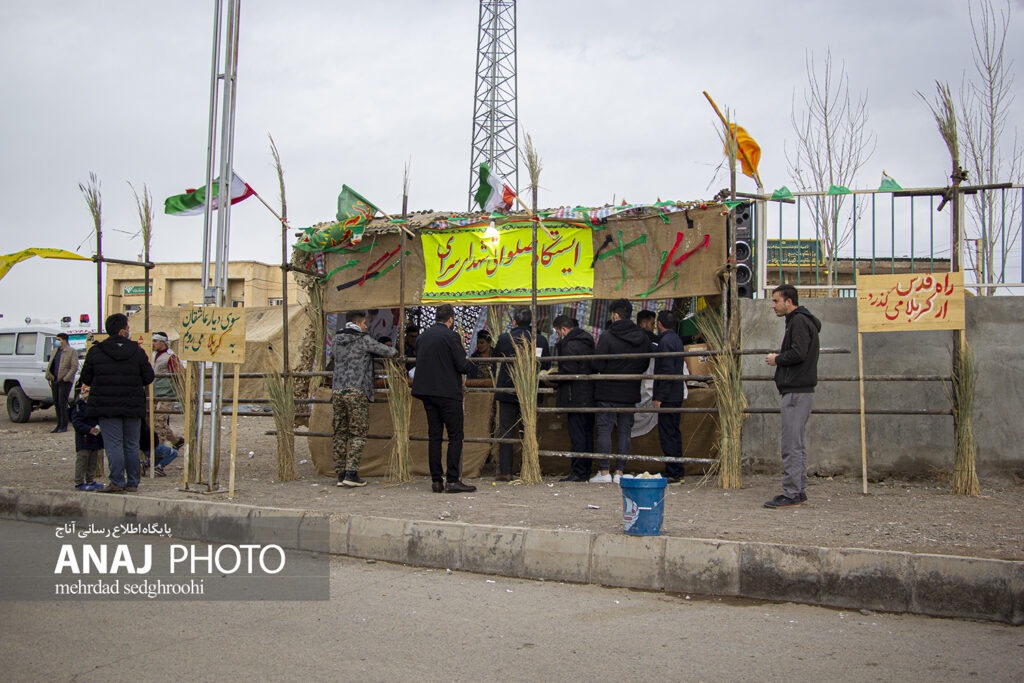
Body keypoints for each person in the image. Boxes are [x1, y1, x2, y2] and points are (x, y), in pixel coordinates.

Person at [80, 313, 155, 493]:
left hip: (106, 406)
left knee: (113, 444)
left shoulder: (96, 351)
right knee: (131, 444)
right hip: (133, 406)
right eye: (128, 327)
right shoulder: (137, 351)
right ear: (123, 331)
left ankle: (117, 482)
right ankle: (133, 482)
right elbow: (148, 377)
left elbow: (86, 378)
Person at [764, 284, 821, 509]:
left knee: (791, 444)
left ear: (789, 302)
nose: (773, 305)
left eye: (776, 301)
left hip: (797, 390)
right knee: (797, 442)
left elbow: (798, 352)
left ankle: (792, 492)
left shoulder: (798, 321)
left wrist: (777, 359)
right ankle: (799, 488)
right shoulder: (801, 321)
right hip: (799, 390)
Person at [411, 304, 476, 493]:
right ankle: (453, 480)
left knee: (435, 436)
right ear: (450, 319)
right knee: (455, 436)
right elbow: (462, 365)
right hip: (447, 393)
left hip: (427, 392)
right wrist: (471, 366)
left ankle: (436, 481)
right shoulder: (451, 336)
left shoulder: (422, 337)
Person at [332, 310, 397, 487]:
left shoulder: (336, 340)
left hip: (337, 390)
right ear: (357, 323)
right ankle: (351, 473)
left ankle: (340, 473)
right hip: (357, 390)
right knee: (358, 433)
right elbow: (387, 351)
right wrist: (396, 351)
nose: (366, 326)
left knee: (339, 433)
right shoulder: (363, 339)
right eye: (363, 323)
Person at [591, 299, 650, 483]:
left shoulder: (607, 336)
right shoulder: (643, 337)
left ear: (615, 315)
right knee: (625, 431)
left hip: (607, 390)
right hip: (630, 390)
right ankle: (619, 472)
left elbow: (598, 364)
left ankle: (604, 472)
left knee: (605, 430)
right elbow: (645, 363)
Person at [493, 307, 550, 481]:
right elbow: (546, 365)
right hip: (530, 392)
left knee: (506, 430)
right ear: (531, 322)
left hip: (507, 391)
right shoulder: (540, 339)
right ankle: (528, 468)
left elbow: (494, 357)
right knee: (529, 429)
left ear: (514, 322)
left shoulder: (505, 338)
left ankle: (506, 472)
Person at [552, 315, 595, 482]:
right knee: (587, 433)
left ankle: (578, 471)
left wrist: (553, 378)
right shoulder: (587, 341)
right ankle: (586, 469)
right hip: (588, 394)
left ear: (563, 329)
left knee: (577, 434)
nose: (558, 336)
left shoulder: (569, 345)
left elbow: (569, 372)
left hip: (574, 395)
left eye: (558, 332)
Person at [653, 310, 687, 483]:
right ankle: (677, 469)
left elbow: (667, 371)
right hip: (676, 393)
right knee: (674, 432)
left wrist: (660, 396)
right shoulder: (677, 339)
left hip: (668, 395)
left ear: (659, 324)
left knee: (667, 434)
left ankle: (673, 470)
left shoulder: (665, 342)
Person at [151, 332, 184, 450]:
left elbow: (178, 375)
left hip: (166, 394)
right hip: (155, 393)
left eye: (155, 341)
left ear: (162, 342)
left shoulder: (171, 357)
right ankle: (176, 441)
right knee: (156, 421)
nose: (153, 343)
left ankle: (159, 449)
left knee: (159, 423)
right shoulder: (153, 355)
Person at [68, 382, 103, 491]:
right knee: (82, 460)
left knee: (93, 461)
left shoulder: (95, 405)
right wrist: (88, 429)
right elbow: (76, 423)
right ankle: (79, 483)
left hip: (95, 438)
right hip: (84, 439)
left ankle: (90, 480)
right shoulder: (78, 406)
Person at [46, 332, 78, 433]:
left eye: (58, 340)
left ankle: (64, 425)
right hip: (55, 380)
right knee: (56, 402)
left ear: (64, 341)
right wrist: (49, 375)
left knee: (62, 403)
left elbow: (74, 367)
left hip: (65, 381)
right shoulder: (55, 351)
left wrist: (66, 378)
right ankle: (58, 424)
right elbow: (51, 364)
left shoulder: (71, 351)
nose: (56, 342)